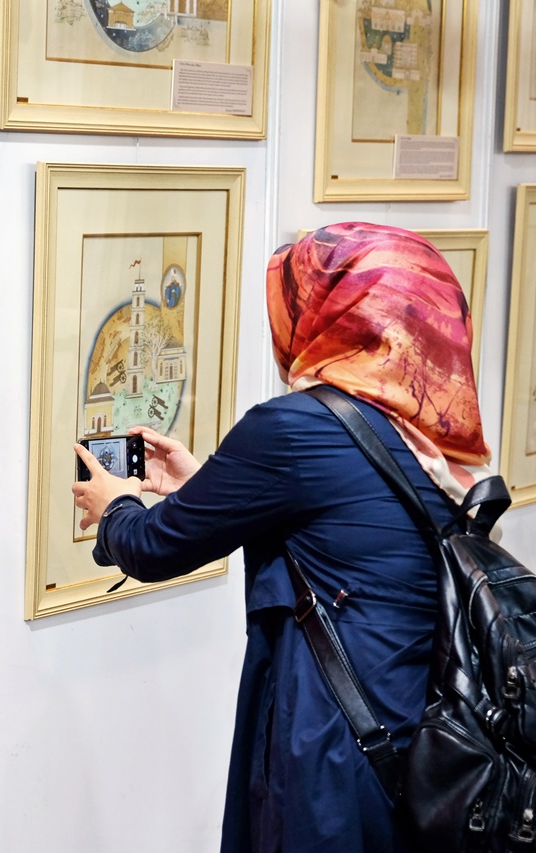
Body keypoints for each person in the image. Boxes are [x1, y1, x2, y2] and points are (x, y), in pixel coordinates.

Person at [72, 223, 493, 853]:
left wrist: (116, 508)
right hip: (430, 730)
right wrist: (206, 485)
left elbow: (156, 547)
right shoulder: (431, 428)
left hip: (336, 735)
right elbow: (336, 518)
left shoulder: (295, 427)